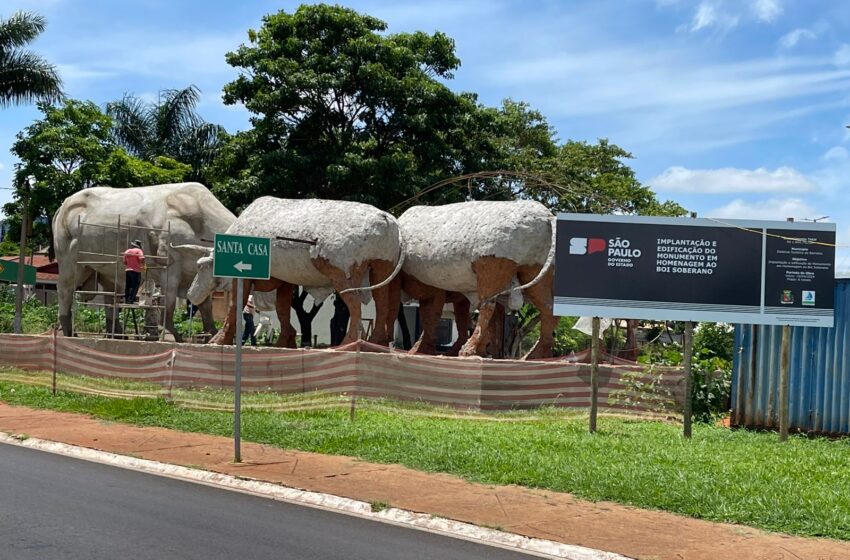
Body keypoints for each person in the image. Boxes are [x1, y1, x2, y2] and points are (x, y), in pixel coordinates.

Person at [123, 240, 145, 304]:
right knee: (135, 285)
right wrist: (143, 265)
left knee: (128, 285)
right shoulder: (139, 251)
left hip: (128, 270)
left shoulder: (127, 251)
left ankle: (126, 299)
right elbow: (142, 258)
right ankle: (131, 299)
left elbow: (124, 262)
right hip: (135, 271)